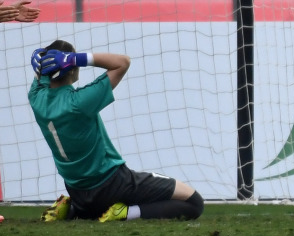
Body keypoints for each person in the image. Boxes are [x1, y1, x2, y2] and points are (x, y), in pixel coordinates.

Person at [29, 40, 204, 222]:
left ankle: (73, 209)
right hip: (113, 184)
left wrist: (41, 65)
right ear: (71, 67)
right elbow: (123, 62)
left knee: (94, 206)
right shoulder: (79, 102)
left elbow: (41, 80)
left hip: (77, 192)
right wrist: (76, 58)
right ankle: (125, 213)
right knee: (194, 202)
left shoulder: (35, 98)